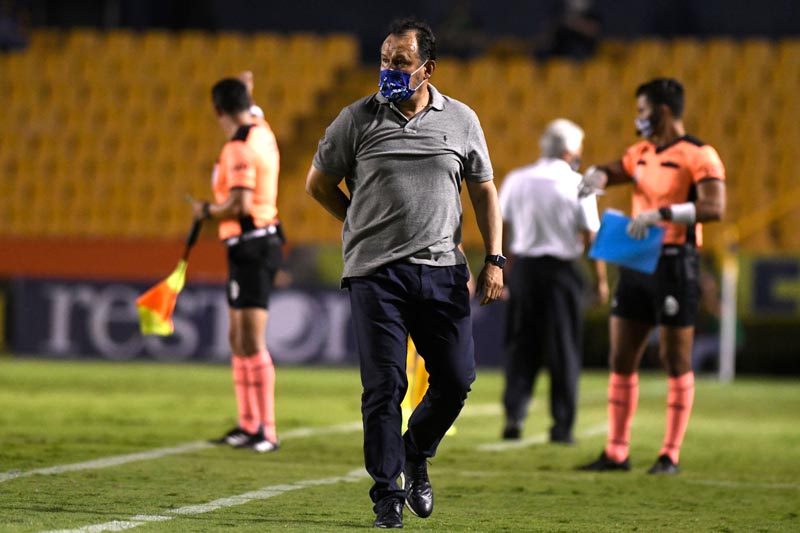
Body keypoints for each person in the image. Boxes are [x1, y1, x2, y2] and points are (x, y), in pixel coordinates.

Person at [305, 18, 504, 529]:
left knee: (458, 380)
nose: (389, 70)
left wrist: (496, 260)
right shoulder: (356, 119)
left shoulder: (461, 120)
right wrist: (357, 221)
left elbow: (484, 192)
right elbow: (318, 183)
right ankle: (386, 495)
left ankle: (416, 450)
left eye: (400, 62)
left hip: (441, 271)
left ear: (427, 68)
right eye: (384, 60)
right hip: (376, 276)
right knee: (384, 386)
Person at [578, 78, 726, 474]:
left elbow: (715, 207)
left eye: (642, 110)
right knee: (621, 355)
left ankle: (669, 455)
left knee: (674, 357)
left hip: (676, 261)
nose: (637, 118)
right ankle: (616, 451)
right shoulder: (641, 151)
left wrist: (663, 214)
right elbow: (617, 168)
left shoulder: (699, 153)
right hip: (637, 257)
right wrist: (596, 175)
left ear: (661, 111)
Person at [498, 118, 608, 444]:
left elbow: (502, 229)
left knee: (521, 346)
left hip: (525, 270)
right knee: (564, 349)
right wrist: (600, 281)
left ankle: (514, 415)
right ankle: (562, 426)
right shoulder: (580, 184)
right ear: (569, 150)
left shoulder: (517, 179)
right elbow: (591, 238)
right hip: (562, 273)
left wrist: (502, 270)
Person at [191, 76, 283, 453]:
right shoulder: (261, 128)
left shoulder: (239, 148)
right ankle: (248, 425)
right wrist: (248, 86)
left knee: (251, 338)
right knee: (238, 338)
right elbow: (253, 110)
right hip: (248, 245)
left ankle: (268, 430)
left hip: (253, 245)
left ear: (216, 110)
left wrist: (206, 210)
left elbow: (240, 205)